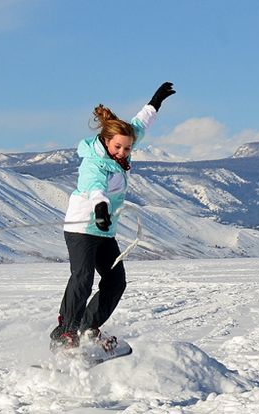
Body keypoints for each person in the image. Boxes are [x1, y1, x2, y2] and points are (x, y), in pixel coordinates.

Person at [49, 82, 176, 351]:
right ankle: (65, 332)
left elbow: (139, 125)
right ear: (106, 141)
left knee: (116, 281)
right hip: (82, 226)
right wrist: (101, 207)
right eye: (118, 147)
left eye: (127, 149)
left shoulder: (124, 142)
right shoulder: (94, 163)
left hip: (104, 230)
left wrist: (155, 102)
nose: (122, 153)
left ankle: (88, 328)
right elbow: (96, 189)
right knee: (82, 278)